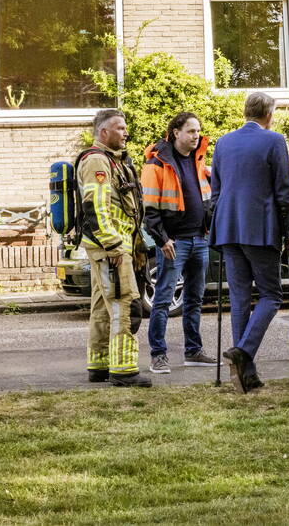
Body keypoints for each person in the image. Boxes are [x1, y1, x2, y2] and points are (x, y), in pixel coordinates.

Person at [209, 92, 289, 393]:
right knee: (272, 296)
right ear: (269, 114)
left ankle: (245, 376)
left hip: (227, 228)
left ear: (246, 112)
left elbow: (216, 191)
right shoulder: (273, 141)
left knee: (239, 300)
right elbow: (283, 192)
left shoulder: (222, 142)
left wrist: (218, 224)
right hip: (260, 228)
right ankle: (243, 351)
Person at [78, 108, 151, 387]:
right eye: (120, 128)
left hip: (109, 249)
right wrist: (115, 246)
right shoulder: (98, 160)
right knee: (126, 304)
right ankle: (124, 370)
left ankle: (99, 365)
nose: (125, 133)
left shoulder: (112, 160)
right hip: (111, 250)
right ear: (103, 132)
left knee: (101, 307)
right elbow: (96, 206)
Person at [141, 112, 217, 374]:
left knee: (195, 299)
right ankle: (158, 355)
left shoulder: (198, 159)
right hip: (174, 243)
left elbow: (206, 196)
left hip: (199, 239)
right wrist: (162, 240)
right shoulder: (157, 163)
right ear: (176, 132)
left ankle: (193, 351)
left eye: (198, 131)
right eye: (191, 131)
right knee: (163, 299)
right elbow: (149, 209)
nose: (196, 136)